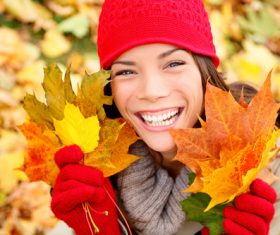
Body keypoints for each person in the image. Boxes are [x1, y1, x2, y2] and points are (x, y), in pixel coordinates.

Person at [50, 0, 280, 234]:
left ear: (204, 70)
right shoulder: (98, 170)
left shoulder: (265, 167)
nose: (152, 91)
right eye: (126, 71)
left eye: (173, 64)